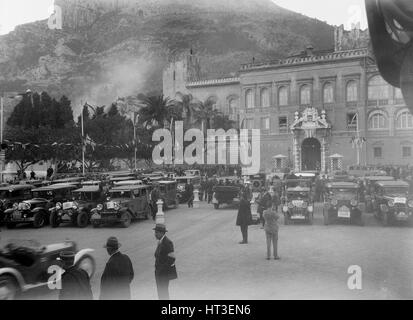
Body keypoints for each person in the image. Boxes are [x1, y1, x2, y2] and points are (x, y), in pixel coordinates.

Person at [154, 224, 177, 300]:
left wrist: (162, 269)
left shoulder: (167, 242)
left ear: (162, 233)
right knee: (160, 292)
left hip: (164, 274)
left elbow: (172, 258)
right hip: (159, 273)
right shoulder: (160, 241)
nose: (155, 234)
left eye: (157, 232)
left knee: (163, 293)